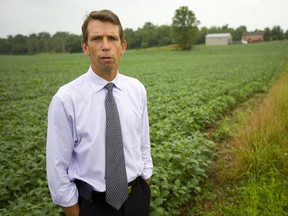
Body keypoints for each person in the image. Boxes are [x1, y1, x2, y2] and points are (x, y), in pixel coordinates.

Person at [46, 9, 153, 216]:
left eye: (112, 38)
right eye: (97, 39)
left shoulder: (136, 89)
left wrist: (145, 178)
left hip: (137, 199)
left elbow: (143, 142)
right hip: (93, 206)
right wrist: (74, 211)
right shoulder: (66, 99)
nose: (105, 46)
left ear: (122, 47)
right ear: (85, 47)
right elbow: (57, 167)